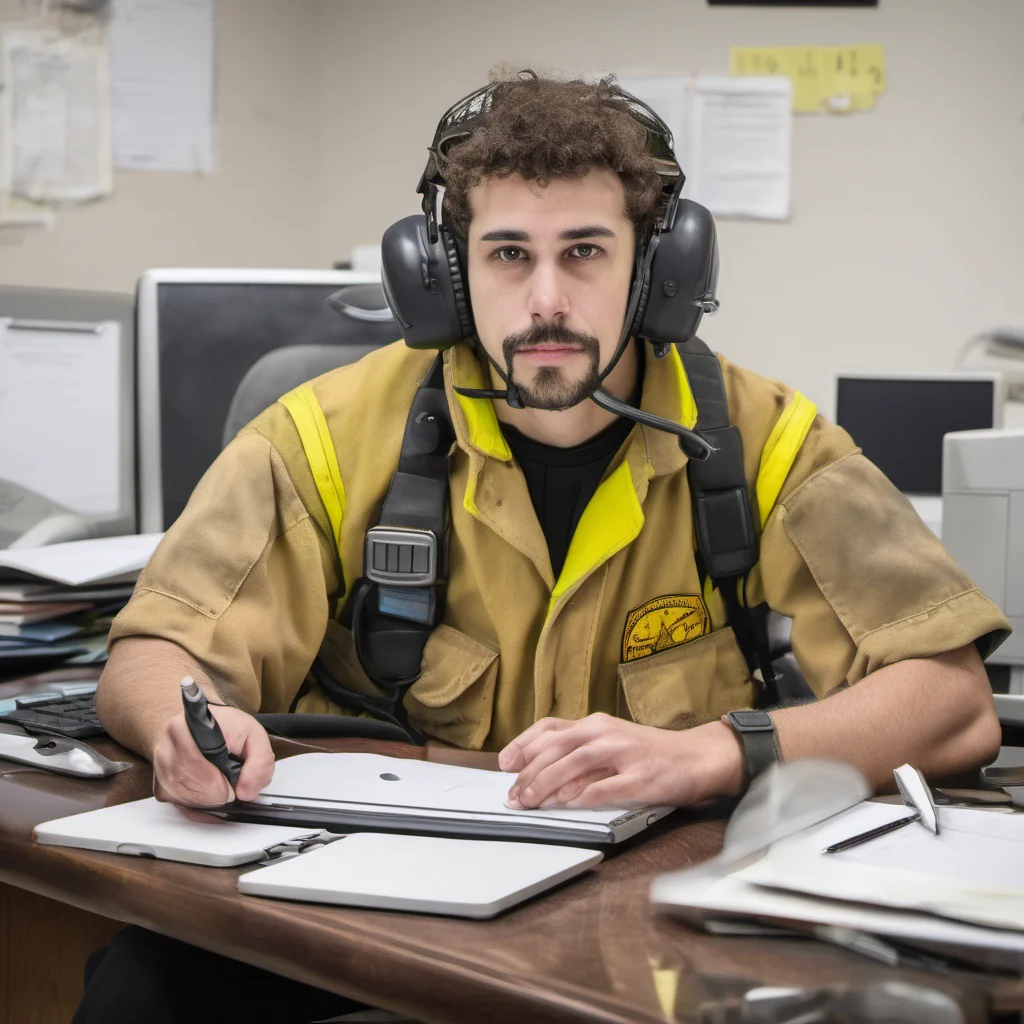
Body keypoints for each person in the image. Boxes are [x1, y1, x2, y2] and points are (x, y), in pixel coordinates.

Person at [76, 71, 1009, 1023]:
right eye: (509, 253)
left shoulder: (767, 445)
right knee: (139, 990)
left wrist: (714, 753)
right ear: (443, 274)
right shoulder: (321, 435)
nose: (547, 299)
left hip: (645, 922)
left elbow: (951, 700)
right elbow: (154, 653)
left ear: (657, 271)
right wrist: (178, 731)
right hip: (365, 898)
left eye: (587, 252)